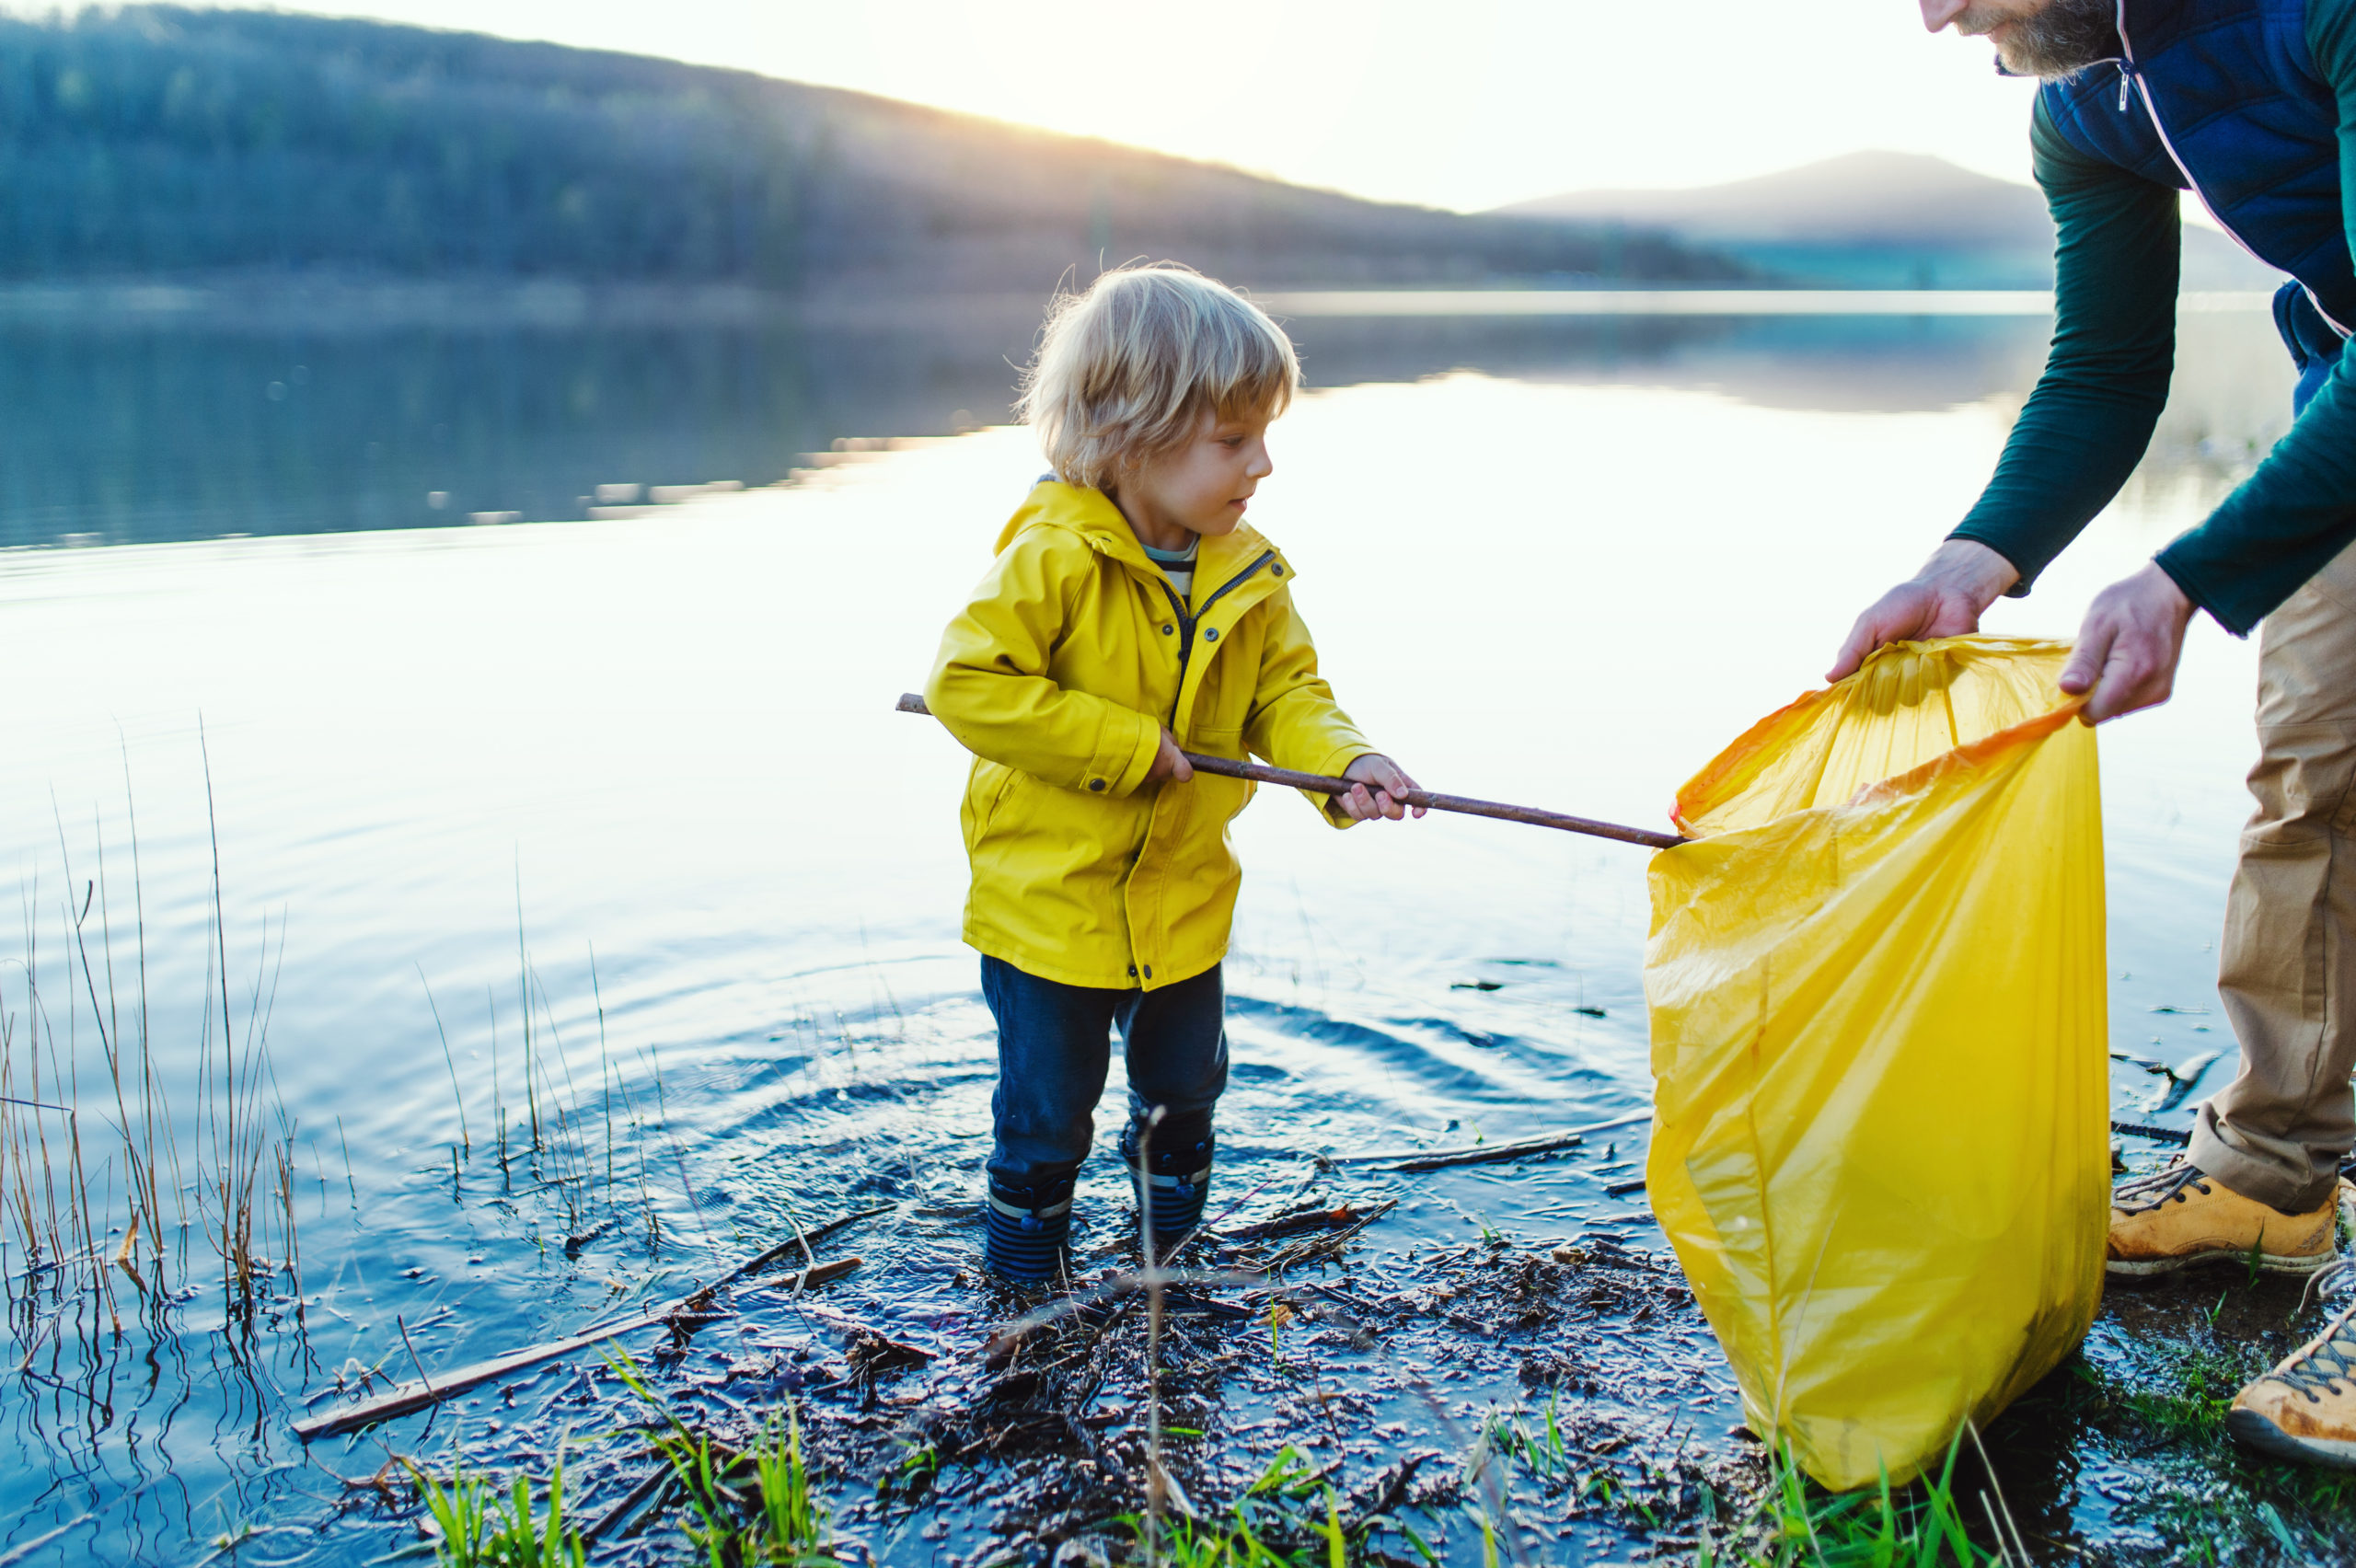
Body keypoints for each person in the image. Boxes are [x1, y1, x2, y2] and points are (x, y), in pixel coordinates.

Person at [1842, 0, 2356, 1467]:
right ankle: (2271, 1176)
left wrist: (2185, 576)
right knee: (2312, 779)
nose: (1932, 11)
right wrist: (1976, 557)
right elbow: (2106, 372)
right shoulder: (2081, 101)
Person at [923, 262, 1423, 1283]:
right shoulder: (1054, 557)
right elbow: (966, 686)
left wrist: (1345, 761)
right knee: (1046, 1113)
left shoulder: (1249, 570)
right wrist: (1117, 745)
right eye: (1233, 440)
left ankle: (1170, 1266)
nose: (1264, 465)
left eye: (1264, 436)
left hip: (1181, 901)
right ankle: (1024, 1292)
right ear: (1133, 436)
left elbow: (1288, 696)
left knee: (1185, 1092)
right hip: (1048, 909)